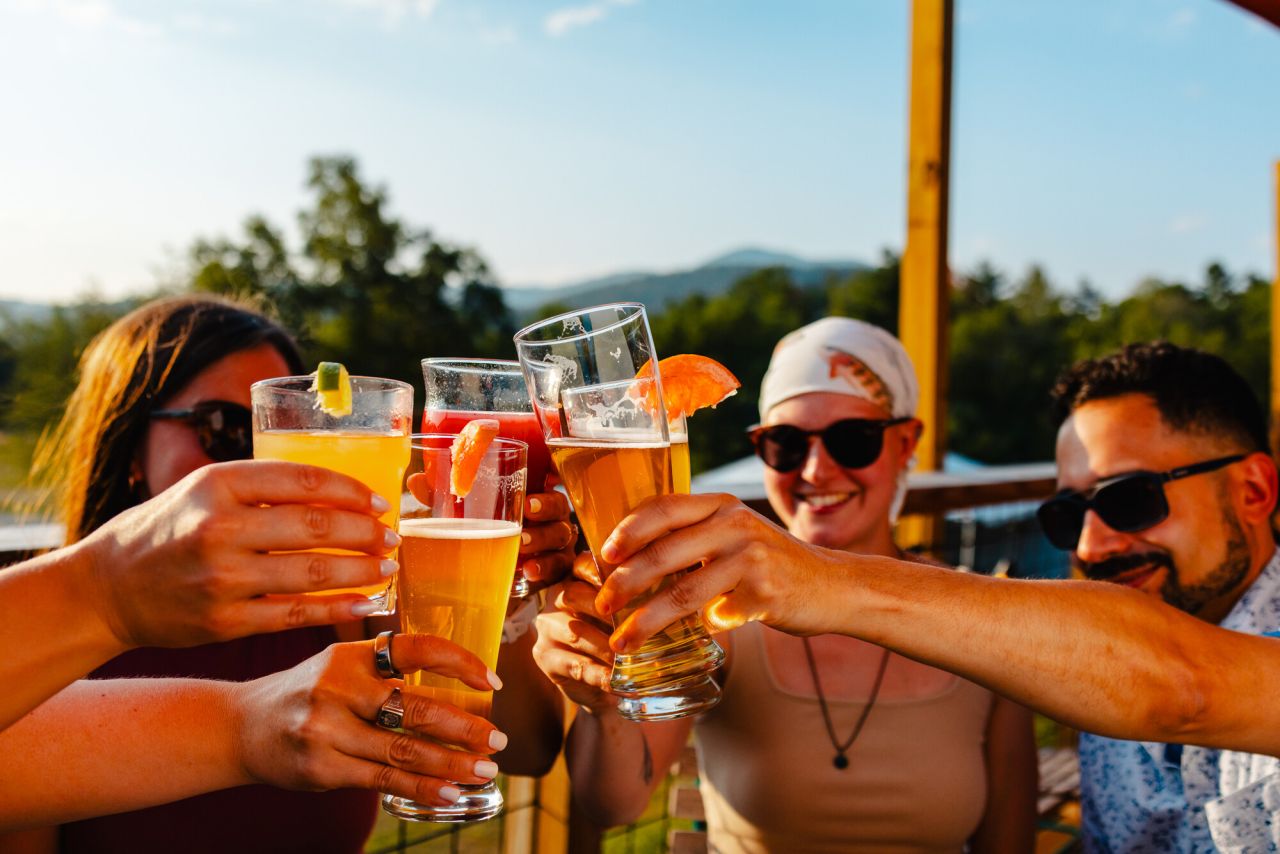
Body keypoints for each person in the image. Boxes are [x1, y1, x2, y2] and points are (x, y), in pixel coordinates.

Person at [596, 342, 1280, 853]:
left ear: (1254, 491)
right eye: (1068, 516)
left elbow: (1182, 683)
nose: (1094, 547)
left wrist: (826, 579)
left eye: (1131, 499)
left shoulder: (1118, 650)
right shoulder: (1088, 656)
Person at [4, 295, 572, 852]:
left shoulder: (346, 602)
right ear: (130, 447)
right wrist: (241, 726)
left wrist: (495, 573)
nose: (252, 463)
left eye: (288, 421)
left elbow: (527, 748)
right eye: (222, 428)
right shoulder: (44, 642)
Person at [535, 317, 1038, 852]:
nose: (817, 471)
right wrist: (605, 703)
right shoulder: (714, 605)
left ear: (906, 442)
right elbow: (614, 803)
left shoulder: (980, 619)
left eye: (853, 439)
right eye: (786, 444)